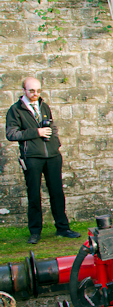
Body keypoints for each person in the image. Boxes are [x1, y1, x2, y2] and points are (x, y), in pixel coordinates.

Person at [6, 78, 80, 244]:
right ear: (24, 90)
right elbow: (11, 134)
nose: (35, 94)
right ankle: (35, 232)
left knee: (57, 192)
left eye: (38, 91)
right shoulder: (15, 110)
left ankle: (63, 228)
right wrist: (36, 132)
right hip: (32, 157)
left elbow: (52, 127)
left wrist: (56, 143)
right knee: (34, 194)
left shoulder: (43, 105)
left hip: (52, 155)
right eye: (31, 91)